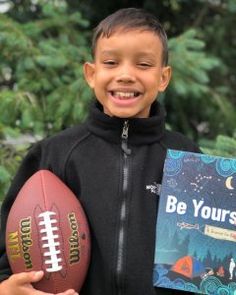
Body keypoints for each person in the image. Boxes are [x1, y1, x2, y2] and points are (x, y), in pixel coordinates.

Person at [0, 7, 201, 295]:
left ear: (163, 78)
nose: (126, 75)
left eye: (143, 65)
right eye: (111, 62)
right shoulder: (54, 154)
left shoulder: (187, 159)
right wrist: (7, 288)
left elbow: (205, 264)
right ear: (91, 74)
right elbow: (9, 249)